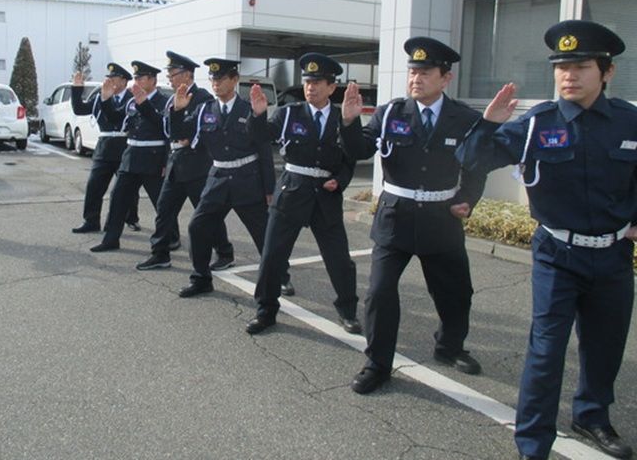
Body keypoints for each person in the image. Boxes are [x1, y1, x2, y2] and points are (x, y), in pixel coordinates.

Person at [457, 20, 636, 460]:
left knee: (605, 345)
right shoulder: (538, 124)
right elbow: (470, 160)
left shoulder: (631, 121)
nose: (568, 76)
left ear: (607, 72)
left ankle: (591, 416)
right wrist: (488, 124)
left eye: (580, 66)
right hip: (558, 253)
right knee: (546, 350)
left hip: (613, 256)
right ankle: (533, 442)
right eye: (561, 67)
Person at [342, 36, 487, 395]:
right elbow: (360, 148)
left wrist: (468, 199)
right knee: (379, 293)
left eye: (424, 72)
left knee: (457, 292)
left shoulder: (465, 118)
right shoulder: (391, 112)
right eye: (412, 72)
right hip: (397, 215)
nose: (415, 79)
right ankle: (377, 364)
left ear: (445, 78)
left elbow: (477, 165)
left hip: (442, 215)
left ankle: (449, 346)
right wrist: (347, 123)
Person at [245, 53, 359, 334]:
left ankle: (347, 310)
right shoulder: (288, 113)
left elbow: (349, 159)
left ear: (332, 87)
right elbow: (259, 137)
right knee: (272, 256)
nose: (311, 87)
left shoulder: (340, 117)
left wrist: (340, 181)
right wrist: (258, 115)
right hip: (292, 190)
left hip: (326, 196)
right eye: (308, 81)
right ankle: (266, 311)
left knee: (339, 260)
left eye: (318, 82)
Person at [172, 59, 275, 297]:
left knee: (264, 233)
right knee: (197, 227)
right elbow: (180, 135)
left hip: (247, 178)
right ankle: (201, 279)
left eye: (221, 79)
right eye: (212, 79)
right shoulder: (205, 110)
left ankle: (280, 275)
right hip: (218, 178)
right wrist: (178, 111)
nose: (215, 84)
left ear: (234, 80)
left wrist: (269, 188)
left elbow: (264, 150)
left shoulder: (249, 108)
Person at [136, 51, 234, 271]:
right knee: (164, 209)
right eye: (169, 73)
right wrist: (143, 105)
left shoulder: (202, 98)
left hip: (196, 164)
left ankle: (225, 252)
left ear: (188, 75)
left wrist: (189, 136)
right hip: (175, 161)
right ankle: (160, 253)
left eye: (173, 72)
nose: (169, 77)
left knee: (206, 213)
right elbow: (166, 128)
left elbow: (203, 130)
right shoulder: (172, 98)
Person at [90, 61, 169, 253]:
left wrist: (167, 161)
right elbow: (117, 120)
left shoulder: (164, 101)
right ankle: (111, 239)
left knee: (162, 204)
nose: (137, 81)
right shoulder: (131, 101)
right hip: (131, 156)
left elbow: (165, 129)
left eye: (141, 77)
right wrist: (106, 101)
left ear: (152, 80)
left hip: (153, 157)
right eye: (136, 78)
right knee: (118, 199)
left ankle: (171, 236)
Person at [69, 64, 140, 234]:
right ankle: (91, 220)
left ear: (124, 81)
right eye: (108, 78)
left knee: (127, 188)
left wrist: (106, 100)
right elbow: (80, 109)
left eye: (114, 78)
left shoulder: (132, 99)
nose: (109, 81)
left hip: (125, 145)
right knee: (94, 186)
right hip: (104, 146)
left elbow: (119, 119)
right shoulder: (102, 97)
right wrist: (77, 89)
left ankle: (131, 218)